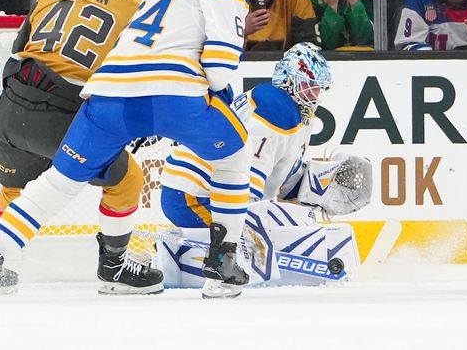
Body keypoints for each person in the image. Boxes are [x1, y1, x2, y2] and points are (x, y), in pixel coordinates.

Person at [0, 0, 254, 300]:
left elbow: (19, 47)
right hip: (131, 96)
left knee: (45, 186)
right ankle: (212, 264)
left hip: (55, 98)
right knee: (227, 155)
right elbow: (218, 70)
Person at [0, 0, 158, 295]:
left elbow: (20, 47)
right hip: (60, 114)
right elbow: (143, 67)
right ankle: (113, 267)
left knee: (14, 192)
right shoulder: (132, 5)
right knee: (127, 180)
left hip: (12, 105)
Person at [158, 43, 370, 288]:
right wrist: (250, 236)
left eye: (319, 90)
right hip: (193, 195)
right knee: (245, 259)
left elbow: (279, 179)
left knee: (266, 234)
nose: (314, 96)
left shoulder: (294, 112)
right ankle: (213, 275)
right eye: (308, 88)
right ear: (288, 82)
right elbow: (248, 174)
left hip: (202, 190)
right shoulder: (276, 109)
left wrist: (317, 186)